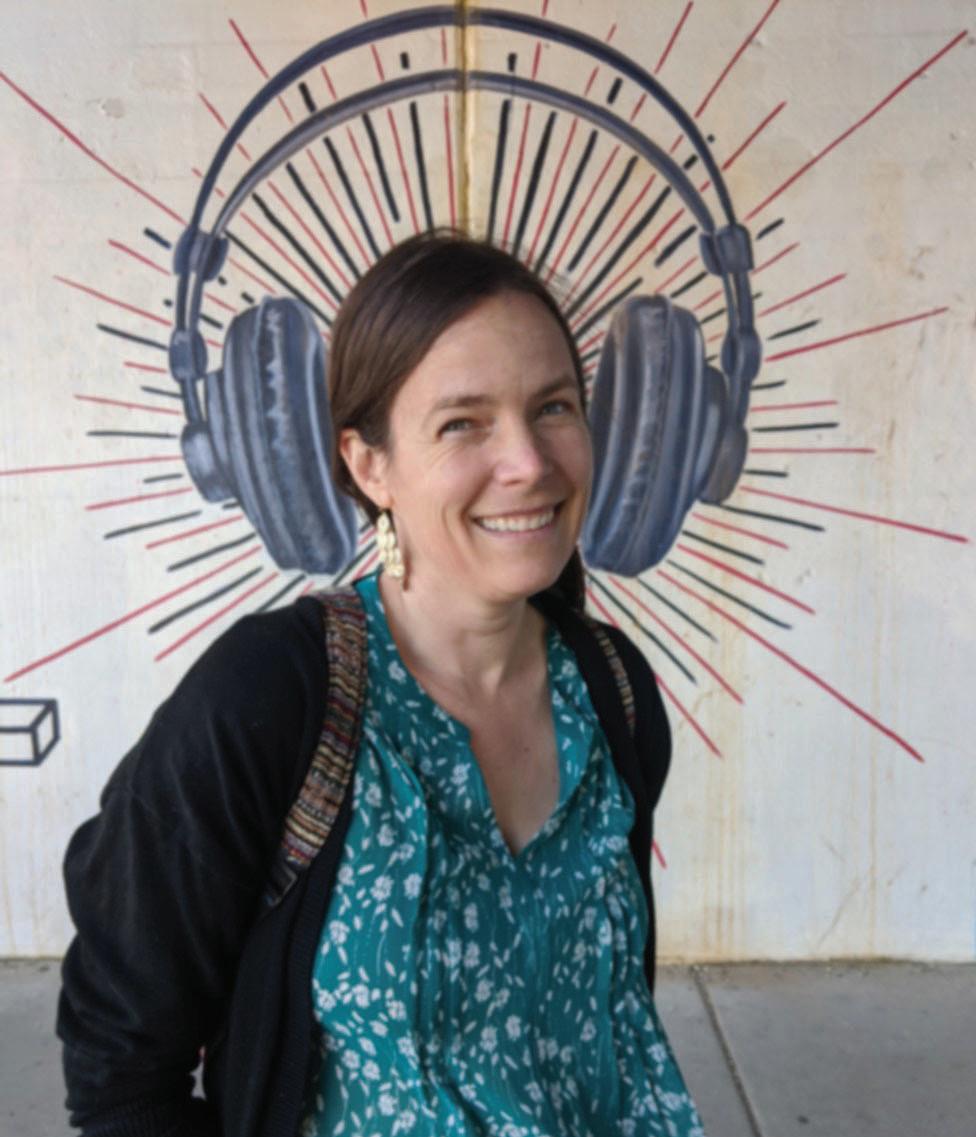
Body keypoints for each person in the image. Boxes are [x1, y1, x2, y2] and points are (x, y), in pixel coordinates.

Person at [58, 231, 705, 1136]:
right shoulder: (269, 697)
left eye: (553, 406)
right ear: (370, 465)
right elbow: (123, 1071)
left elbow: (612, 1016)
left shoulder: (612, 690)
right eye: (463, 422)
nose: (528, 461)